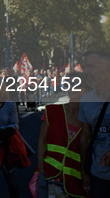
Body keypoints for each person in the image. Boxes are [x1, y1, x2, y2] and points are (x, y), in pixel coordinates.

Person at [38, 72, 89, 198]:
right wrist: (41, 171)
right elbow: (42, 141)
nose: (72, 87)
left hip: (78, 181)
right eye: (69, 84)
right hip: (52, 176)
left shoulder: (91, 118)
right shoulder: (51, 111)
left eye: (76, 84)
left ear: (87, 89)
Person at [79, 50, 110, 197]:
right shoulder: (85, 100)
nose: (85, 71)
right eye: (84, 67)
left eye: (90, 66)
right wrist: (83, 171)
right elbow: (85, 138)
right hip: (98, 177)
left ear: (106, 68)